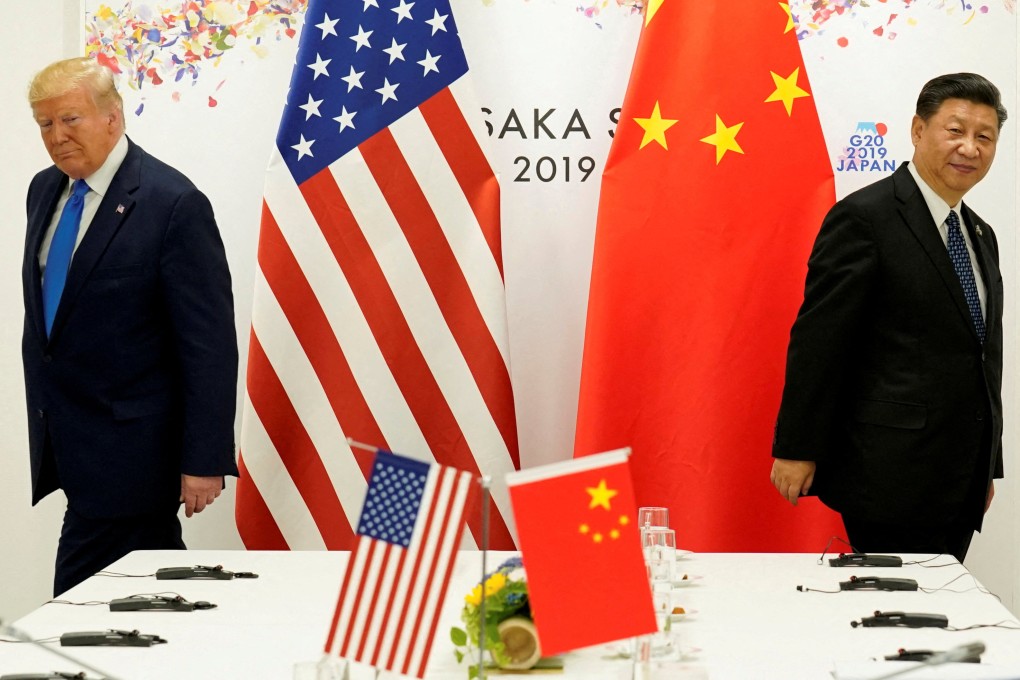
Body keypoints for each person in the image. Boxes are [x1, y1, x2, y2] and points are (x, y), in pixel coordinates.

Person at [770, 73, 1007, 563]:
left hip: (960, 479)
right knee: (896, 619)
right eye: (955, 130)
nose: (970, 147)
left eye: (984, 136)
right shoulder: (865, 218)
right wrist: (796, 447)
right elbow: (820, 341)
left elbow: (982, 356)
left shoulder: (980, 234)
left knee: (941, 615)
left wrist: (987, 467)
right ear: (918, 131)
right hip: (888, 472)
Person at [23, 57, 239, 594]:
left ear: (113, 117)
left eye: (70, 119)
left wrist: (204, 459)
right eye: (46, 125)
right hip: (73, 441)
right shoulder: (44, 191)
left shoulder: (173, 203)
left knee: (77, 609)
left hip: (137, 449)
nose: (57, 136)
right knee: (144, 599)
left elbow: (208, 345)